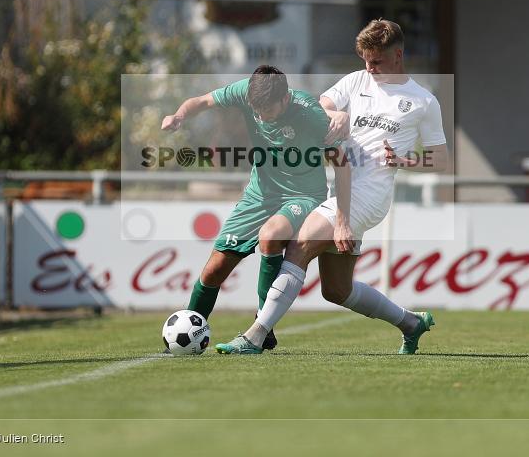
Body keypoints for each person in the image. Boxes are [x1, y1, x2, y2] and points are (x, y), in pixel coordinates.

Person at [216, 19, 449, 355]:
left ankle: (255, 335)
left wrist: (408, 162)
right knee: (337, 291)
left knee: (299, 245)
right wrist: (334, 114)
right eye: (365, 60)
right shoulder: (356, 81)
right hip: (340, 189)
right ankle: (411, 323)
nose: (369, 68)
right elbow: (318, 105)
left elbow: (440, 160)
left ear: (398, 55)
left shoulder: (423, 101)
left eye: (377, 61)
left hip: (370, 195)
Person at [160, 65, 346, 351]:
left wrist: (341, 119)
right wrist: (179, 115)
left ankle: (263, 325)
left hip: (303, 195)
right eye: (255, 110)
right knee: (214, 270)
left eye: (266, 111)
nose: (259, 117)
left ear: (285, 100)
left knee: (270, 235)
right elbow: (202, 101)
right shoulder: (247, 91)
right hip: (259, 195)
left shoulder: (308, 112)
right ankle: (188, 329)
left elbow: (342, 154)